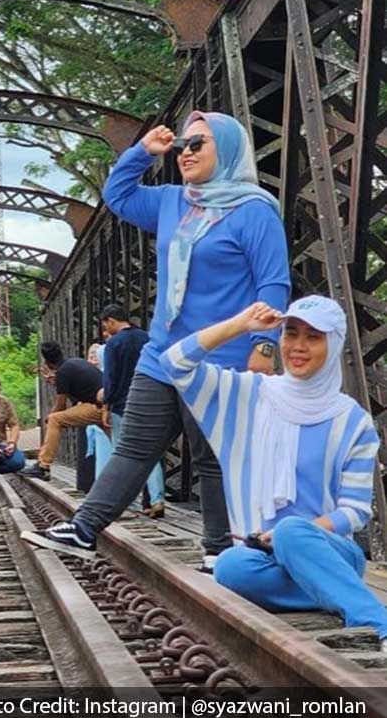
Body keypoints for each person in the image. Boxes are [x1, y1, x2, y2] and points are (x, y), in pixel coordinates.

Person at [26, 112, 290, 569]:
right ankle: (84, 528)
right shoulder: (172, 201)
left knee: (213, 457)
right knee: (134, 447)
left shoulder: (253, 210)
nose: (186, 151)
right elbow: (118, 195)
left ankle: (218, 549)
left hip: (221, 358)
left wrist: (264, 347)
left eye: (198, 144)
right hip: (163, 355)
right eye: (183, 144)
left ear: (226, 150)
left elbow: (273, 285)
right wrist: (142, 152)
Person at [159, 297, 387, 647]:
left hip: (332, 551)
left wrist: (291, 533)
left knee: (291, 532)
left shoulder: (352, 420)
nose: (297, 346)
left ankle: (376, 619)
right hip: (261, 558)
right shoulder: (247, 395)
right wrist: (240, 325)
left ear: (335, 342)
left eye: (313, 337)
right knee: (230, 566)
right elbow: (173, 363)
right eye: (290, 333)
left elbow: (355, 511)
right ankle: (331, 588)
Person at [98, 305, 163, 517]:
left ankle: (122, 503)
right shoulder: (147, 338)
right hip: (149, 403)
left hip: (122, 405)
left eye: (104, 324)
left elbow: (111, 378)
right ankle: (157, 499)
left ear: (110, 321)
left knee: (124, 455)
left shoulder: (113, 343)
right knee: (150, 454)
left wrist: (106, 405)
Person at [24, 341, 103, 481]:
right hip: (105, 405)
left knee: (55, 419)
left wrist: (49, 417)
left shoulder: (63, 372)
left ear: (47, 362)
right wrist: (58, 382)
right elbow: (80, 391)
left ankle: (43, 466)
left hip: (97, 407)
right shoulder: (75, 362)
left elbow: (60, 406)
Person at [83, 344, 113, 485]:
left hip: (105, 419)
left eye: (97, 354)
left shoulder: (107, 374)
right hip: (98, 420)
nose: (94, 357)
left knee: (105, 457)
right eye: (91, 354)